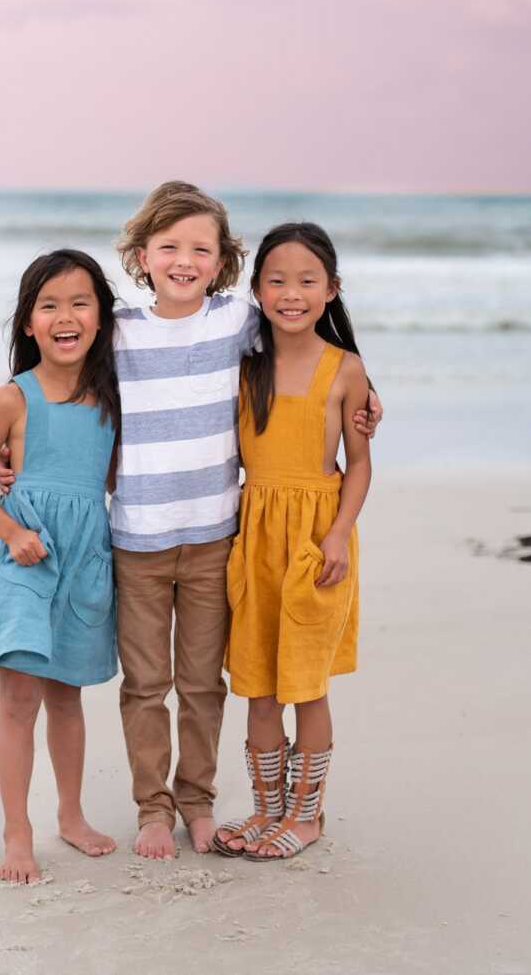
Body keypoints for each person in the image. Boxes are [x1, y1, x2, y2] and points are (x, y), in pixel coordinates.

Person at [0, 184, 383, 861]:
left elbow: (308, 345)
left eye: (201, 248)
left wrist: (368, 398)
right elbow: (55, 379)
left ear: (223, 261)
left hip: (216, 539)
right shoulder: (117, 332)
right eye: (169, 247)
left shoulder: (240, 321)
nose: (184, 259)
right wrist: (15, 453)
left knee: (205, 683)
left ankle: (198, 803)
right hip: (136, 542)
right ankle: (154, 810)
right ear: (141, 256)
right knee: (146, 686)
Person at [0, 249, 120, 884]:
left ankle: (71, 816)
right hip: (23, 559)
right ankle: (17, 831)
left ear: (101, 318)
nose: (65, 317)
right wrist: (12, 530)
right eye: (48, 305)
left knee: (68, 696)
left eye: (80, 303)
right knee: (19, 697)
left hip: (85, 563)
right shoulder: (11, 399)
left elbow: (108, 477)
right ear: (28, 322)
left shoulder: (111, 400)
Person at [213, 222, 371, 861]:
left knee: (306, 684)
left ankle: (306, 817)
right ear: (256, 290)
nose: (292, 293)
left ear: (331, 290)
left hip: (315, 543)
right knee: (257, 684)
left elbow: (357, 463)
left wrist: (338, 534)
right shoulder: (243, 363)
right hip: (255, 539)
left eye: (308, 281)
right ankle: (265, 810)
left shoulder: (347, 370)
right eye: (276, 281)